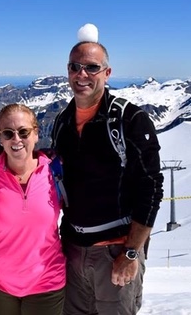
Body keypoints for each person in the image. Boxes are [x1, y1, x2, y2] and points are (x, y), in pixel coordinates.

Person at [50, 25, 164, 315]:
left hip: (115, 253)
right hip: (74, 251)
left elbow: (151, 188)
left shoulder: (130, 119)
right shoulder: (63, 121)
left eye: (92, 67)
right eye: (75, 67)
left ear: (107, 73)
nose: (82, 74)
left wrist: (130, 252)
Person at [0, 103, 66, 315]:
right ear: (0, 138)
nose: (16, 139)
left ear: (36, 134)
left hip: (47, 282)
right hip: (1, 286)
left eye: (23, 132)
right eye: (8, 133)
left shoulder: (55, 173)